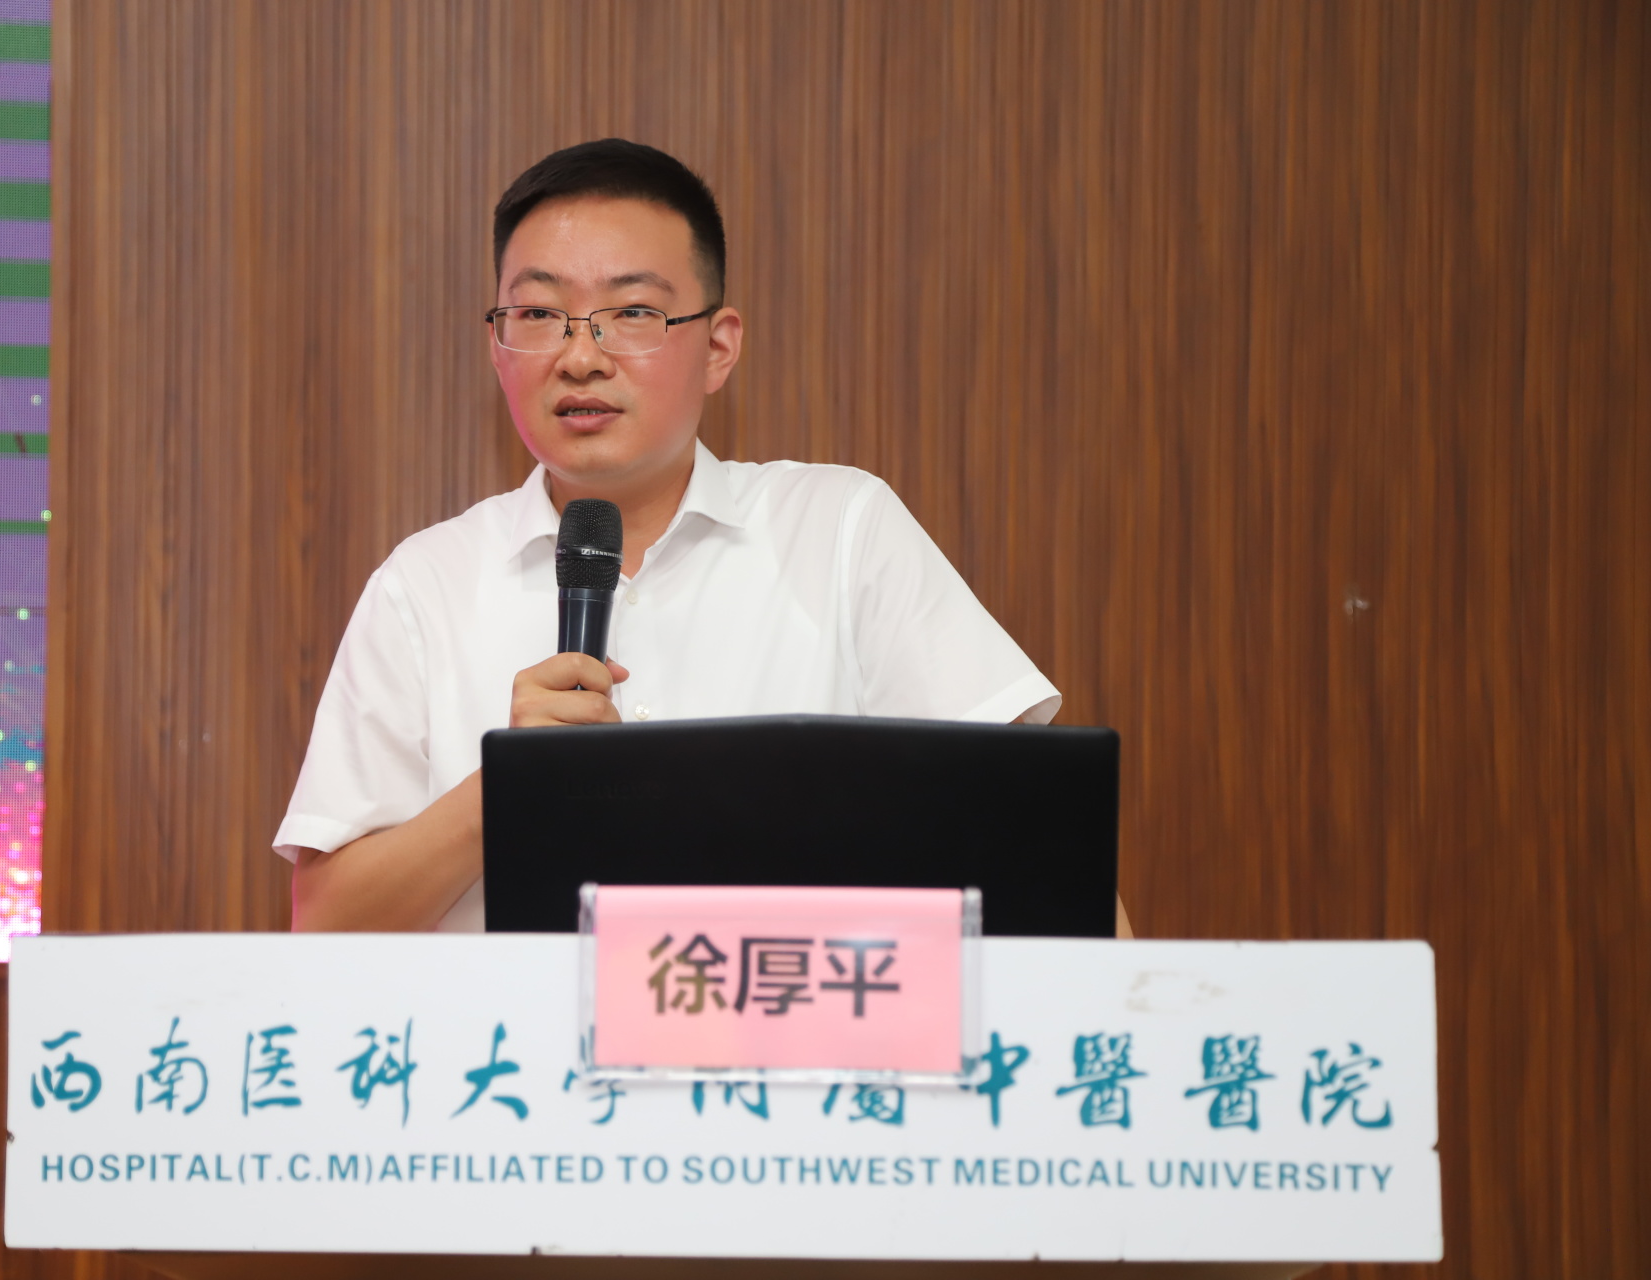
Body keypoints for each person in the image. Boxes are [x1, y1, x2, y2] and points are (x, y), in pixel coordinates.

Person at [278, 138, 1123, 936]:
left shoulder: (838, 530)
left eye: (632, 311)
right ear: (498, 347)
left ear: (718, 348)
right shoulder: (425, 585)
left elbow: (1043, 838)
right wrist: (504, 788)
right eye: (538, 313)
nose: (580, 357)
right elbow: (323, 924)